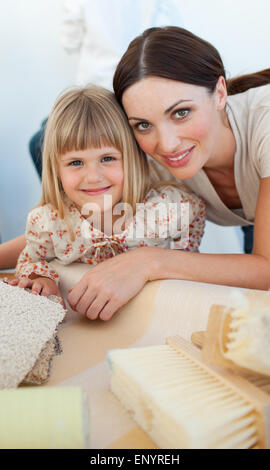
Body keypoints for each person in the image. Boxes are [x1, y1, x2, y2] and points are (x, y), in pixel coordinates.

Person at [65, 25, 270, 320]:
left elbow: (266, 268)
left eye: (181, 113)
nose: (168, 145)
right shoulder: (151, 155)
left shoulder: (265, 122)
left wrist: (150, 261)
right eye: (144, 124)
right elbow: (66, 222)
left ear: (220, 93)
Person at [7, 85, 205, 319]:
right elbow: (30, 261)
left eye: (107, 158)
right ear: (55, 170)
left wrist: (185, 254)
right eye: (75, 163)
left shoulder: (166, 209)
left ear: (132, 158)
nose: (93, 176)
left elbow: (194, 212)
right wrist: (42, 279)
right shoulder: (49, 222)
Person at [29, 0, 183, 179]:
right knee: (44, 129)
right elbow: (169, 33)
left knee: (39, 141)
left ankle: (67, 203)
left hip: (96, 91)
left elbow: (69, 42)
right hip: (136, 88)